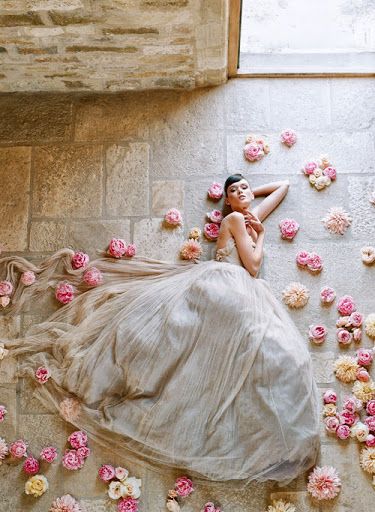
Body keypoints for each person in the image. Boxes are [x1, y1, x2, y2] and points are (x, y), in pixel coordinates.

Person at [0, 174, 320, 488]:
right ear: (227, 202)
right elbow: (252, 266)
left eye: (245, 188)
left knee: (221, 358)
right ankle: (267, 432)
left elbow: (283, 187)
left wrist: (249, 195)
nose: (242, 193)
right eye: (234, 191)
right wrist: (259, 233)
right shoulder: (237, 219)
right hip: (231, 287)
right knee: (246, 357)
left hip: (230, 288)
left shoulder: (244, 217)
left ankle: (261, 427)